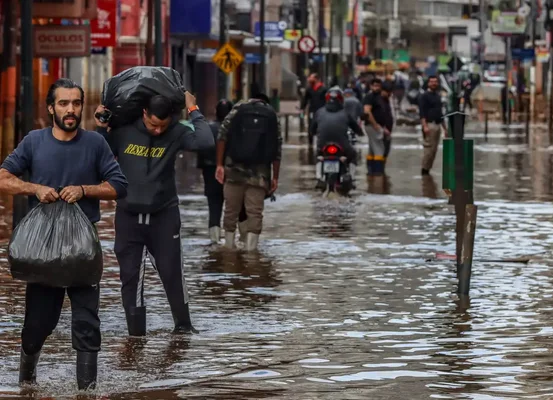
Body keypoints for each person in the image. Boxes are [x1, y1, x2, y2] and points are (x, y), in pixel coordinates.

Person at [0, 78, 128, 390]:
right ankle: (26, 384)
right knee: (37, 325)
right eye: (63, 103)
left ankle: (87, 390)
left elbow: (119, 185)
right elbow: (3, 178)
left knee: (87, 323)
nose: (70, 110)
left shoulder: (95, 144)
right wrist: (35, 188)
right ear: (51, 107)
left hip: (83, 251)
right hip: (43, 251)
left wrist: (85, 189)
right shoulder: (34, 141)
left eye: (75, 104)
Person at [94, 91, 213, 337]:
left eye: (163, 125)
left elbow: (206, 142)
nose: (157, 130)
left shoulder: (177, 132)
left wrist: (194, 109)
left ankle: (183, 329)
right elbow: (96, 153)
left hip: (164, 216)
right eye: (152, 124)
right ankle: (136, 336)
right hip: (128, 215)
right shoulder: (123, 131)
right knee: (130, 277)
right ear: (144, 113)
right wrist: (101, 126)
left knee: (172, 274)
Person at [215, 93, 282, 251]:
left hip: (234, 170)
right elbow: (277, 148)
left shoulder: (238, 108)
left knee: (231, 211)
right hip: (260, 174)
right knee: (255, 213)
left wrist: (219, 164)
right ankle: (251, 254)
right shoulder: (272, 114)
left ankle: (229, 249)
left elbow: (222, 136)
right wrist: (275, 177)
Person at [196, 99, 248, 244]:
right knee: (240, 207)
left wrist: (204, 168)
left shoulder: (207, 128)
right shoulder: (238, 129)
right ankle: (244, 240)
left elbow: (201, 150)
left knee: (214, 206)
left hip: (210, 171)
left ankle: (214, 241)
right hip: (233, 172)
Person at [311, 87, 363, 188]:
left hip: (322, 145)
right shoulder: (345, 113)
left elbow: (312, 129)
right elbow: (356, 127)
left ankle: (319, 177)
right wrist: (360, 133)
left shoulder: (319, 112)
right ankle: (351, 178)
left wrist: (313, 133)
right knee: (353, 155)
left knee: (318, 155)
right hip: (342, 145)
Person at [364, 79, 394, 175]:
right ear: (371, 86)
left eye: (378, 85)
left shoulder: (381, 98)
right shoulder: (370, 97)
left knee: (372, 150)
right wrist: (376, 125)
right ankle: (378, 173)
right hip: (373, 126)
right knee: (379, 150)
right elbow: (367, 111)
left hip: (379, 127)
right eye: (374, 85)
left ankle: (371, 172)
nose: (376, 88)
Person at [418, 75, 447, 175]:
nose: (434, 83)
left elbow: (440, 113)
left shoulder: (438, 96)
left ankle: (428, 170)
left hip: (437, 125)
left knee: (434, 150)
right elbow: (422, 112)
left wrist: (445, 128)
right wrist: (424, 126)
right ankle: (424, 170)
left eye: (435, 81)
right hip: (429, 125)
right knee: (429, 149)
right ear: (428, 83)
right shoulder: (424, 96)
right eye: (432, 82)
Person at [300, 73, 327, 146]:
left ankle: (320, 142)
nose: (309, 79)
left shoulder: (324, 89)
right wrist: (302, 108)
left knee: (321, 126)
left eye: (311, 78)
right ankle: (310, 142)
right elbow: (305, 100)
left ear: (316, 79)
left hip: (321, 111)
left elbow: (326, 100)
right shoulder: (309, 89)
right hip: (312, 110)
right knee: (311, 125)